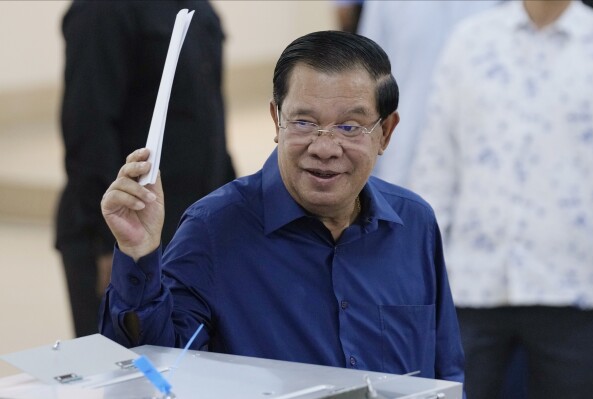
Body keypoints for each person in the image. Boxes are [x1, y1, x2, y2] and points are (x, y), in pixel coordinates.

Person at [99, 31, 465, 384]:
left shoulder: (414, 223)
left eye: (350, 127)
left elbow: (446, 369)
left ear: (385, 132)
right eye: (304, 122)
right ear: (277, 120)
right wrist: (139, 253)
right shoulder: (213, 229)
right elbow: (155, 369)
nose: (325, 147)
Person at [410, 1, 593, 397]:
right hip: (471, 282)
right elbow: (437, 162)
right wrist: (419, 267)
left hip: (576, 286)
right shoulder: (471, 41)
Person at [56, 1, 236, 338]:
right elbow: (88, 126)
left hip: (191, 226)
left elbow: (210, 122)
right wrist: (109, 242)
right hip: (125, 227)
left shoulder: (197, 8)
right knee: (122, 366)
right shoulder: (102, 10)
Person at [358, 0, 500, 187]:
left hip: (479, 166)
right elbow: (365, 80)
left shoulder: (505, 6)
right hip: (400, 162)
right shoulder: (385, 4)